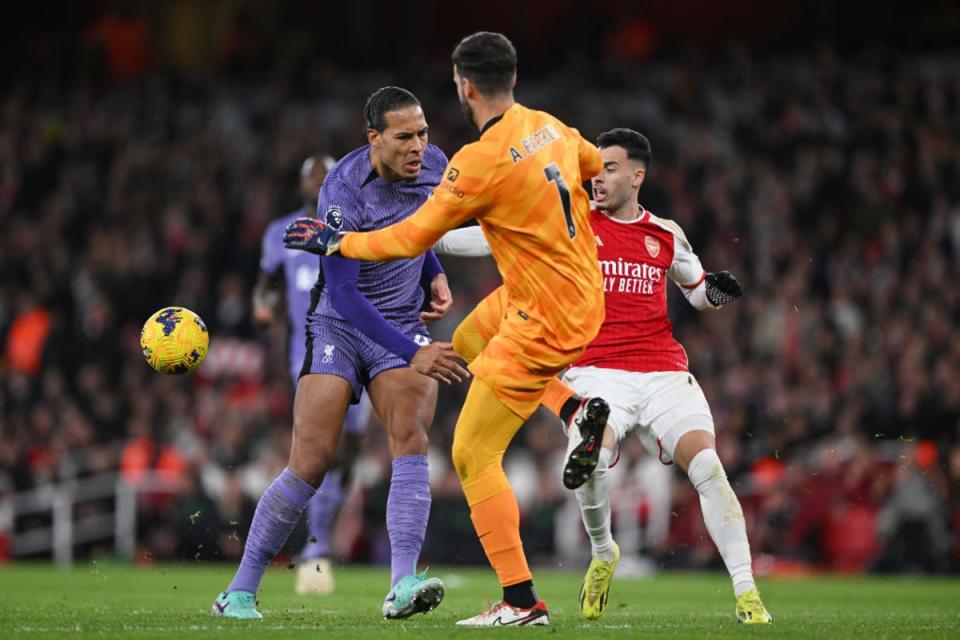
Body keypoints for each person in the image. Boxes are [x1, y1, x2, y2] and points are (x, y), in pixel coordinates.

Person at [284, 32, 612, 627]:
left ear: (464, 86)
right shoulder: (551, 124)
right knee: (461, 346)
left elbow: (409, 237)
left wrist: (337, 241)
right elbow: (595, 168)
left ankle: (520, 601)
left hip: (541, 315)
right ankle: (569, 410)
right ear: (512, 77)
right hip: (575, 290)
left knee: (472, 452)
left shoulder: (477, 161)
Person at [214, 86, 466, 621]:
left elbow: (421, 231)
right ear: (374, 138)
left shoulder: (436, 165)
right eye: (404, 137)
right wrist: (411, 352)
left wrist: (435, 274)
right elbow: (346, 294)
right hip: (339, 326)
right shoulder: (342, 191)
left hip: (401, 321)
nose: (419, 145)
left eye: (422, 133)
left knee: (411, 440)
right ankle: (238, 590)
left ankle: (402, 585)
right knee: (310, 462)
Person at [561, 128, 771, 624]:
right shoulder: (574, 222)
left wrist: (716, 292)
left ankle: (747, 594)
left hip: (662, 371)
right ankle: (603, 550)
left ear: (637, 175)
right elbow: (494, 236)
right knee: (589, 459)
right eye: (594, 168)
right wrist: (431, 234)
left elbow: (697, 292)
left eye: (608, 168)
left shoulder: (665, 233)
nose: (597, 177)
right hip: (597, 371)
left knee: (707, 467)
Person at [253, 155, 373, 595]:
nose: (321, 184)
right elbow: (265, 283)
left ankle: (315, 544)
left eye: (328, 178)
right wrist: (262, 306)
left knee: (348, 453)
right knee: (321, 452)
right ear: (304, 185)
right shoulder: (280, 233)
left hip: (359, 350)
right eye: (314, 177)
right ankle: (314, 550)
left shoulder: (354, 229)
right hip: (307, 354)